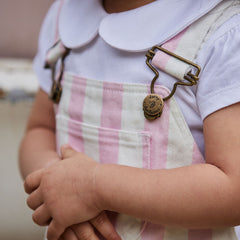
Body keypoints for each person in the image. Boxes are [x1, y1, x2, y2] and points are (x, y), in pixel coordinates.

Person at [19, 0, 240, 239]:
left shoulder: (223, 33)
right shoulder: (64, 18)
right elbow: (40, 129)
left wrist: (95, 187)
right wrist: (57, 184)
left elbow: (233, 188)